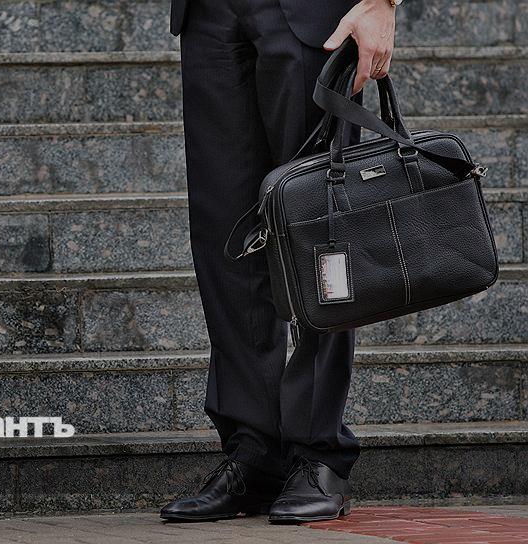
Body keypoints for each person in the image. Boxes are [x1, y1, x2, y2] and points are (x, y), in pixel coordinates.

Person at [160, 0, 398, 524]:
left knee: (320, 229)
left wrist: (383, 2)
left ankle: (319, 453)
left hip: (313, 17)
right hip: (210, 15)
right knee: (225, 232)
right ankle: (254, 451)